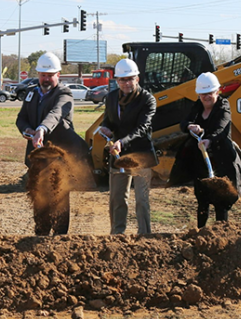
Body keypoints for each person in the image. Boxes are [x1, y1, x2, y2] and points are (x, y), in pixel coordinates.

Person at [16, 52, 91, 235]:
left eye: (50, 75)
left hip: (59, 158)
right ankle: (41, 233)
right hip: (38, 157)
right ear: (38, 75)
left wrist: (41, 129)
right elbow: (21, 118)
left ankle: (59, 238)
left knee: (58, 198)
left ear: (58, 74)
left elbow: (55, 115)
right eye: (43, 75)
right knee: (39, 197)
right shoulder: (32, 93)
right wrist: (27, 131)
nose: (46, 78)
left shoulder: (64, 94)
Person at [169, 72, 241, 227]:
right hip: (201, 161)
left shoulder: (223, 108)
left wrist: (209, 140)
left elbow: (221, 129)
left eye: (210, 93)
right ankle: (200, 232)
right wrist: (190, 126)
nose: (206, 97)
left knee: (221, 201)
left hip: (222, 160)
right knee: (202, 199)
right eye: (203, 94)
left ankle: (221, 234)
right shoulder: (197, 107)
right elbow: (184, 122)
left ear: (217, 92)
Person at [99, 58, 157, 235]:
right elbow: (109, 119)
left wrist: (121, 141)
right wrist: (106, 128)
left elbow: (142, 128)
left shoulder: (147, 99)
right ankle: (117, 235)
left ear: (137, 79)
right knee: (117, 198)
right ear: (117, 80)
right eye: (122, 79)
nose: (126, 83)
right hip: (118, 155)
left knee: (141, 199)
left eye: (130, 78)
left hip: (140, 154)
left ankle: (144, 236)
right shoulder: (111, 98)